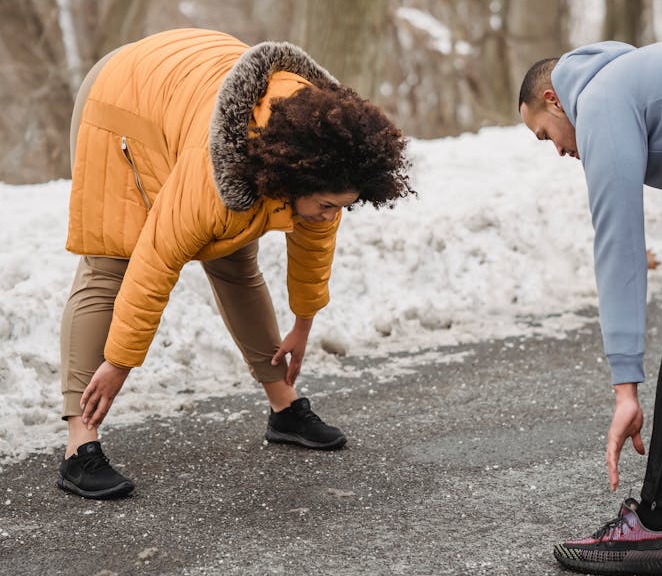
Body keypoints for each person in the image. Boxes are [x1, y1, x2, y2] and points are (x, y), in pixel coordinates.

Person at [58, 28, 413, 500]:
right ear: (293, 178)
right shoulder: (215, 179)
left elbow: (314, 248)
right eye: (328, 205)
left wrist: (303, 325)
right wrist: (119, 363)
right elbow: (156, 261)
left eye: (340, 207)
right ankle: (78, 444)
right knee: (110, 266)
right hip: (122, 100)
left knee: (235, 258)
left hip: (185, 86)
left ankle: (283, 407)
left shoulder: (325, 155)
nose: (333, 215)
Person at [519, 29, 662, 576]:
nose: (556, 149)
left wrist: (626, 384)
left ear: (555, 99)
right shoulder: (643, 78)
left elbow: (618, 245)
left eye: (544, 134)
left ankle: (655, 525)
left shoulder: (599, 98)